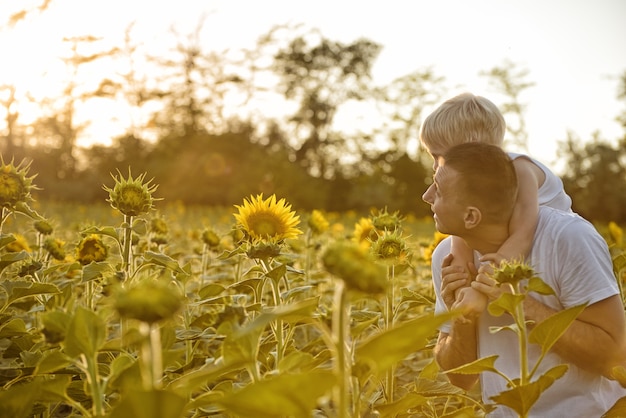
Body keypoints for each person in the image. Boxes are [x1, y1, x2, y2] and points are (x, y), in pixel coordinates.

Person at [422, 142, 626, 417]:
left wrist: (518, 304)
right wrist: (462, 317)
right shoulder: (448, 257)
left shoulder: (568, 238)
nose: (426, 196)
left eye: (439, 189)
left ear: (471, 216)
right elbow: (461, 379)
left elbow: (616, 356)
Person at [420, 92, 572, 318]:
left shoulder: (518, 169)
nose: (435, 166)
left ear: (470, 147)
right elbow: (460, 239)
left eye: (439, 156)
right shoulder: (472, 189)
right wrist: (463, 290)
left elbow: (522, 234)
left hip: (553, 247)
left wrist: (482, 290)